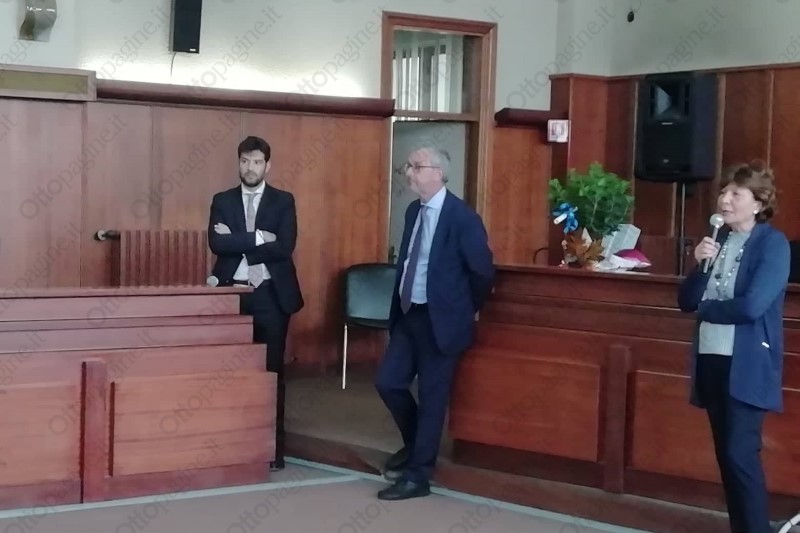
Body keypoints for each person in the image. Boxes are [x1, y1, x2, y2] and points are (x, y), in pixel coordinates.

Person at [375, 145, 495, 501]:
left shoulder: (462, 218)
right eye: (408, 166)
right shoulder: (414, 210)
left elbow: (482, 272)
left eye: (416, 166)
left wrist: (463, 309)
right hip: (409, 314)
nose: (409, 173)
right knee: (388, 382)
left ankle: (418, 477)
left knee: (432, 398)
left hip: (442, 321)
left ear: (438, 173)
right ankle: (417, 446)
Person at [678, 160, 790, 533]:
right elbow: (686, 301)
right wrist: (699, 265)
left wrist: (707, 309)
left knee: (740, 455)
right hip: (712, 360)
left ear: (758, 203)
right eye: (723, 192)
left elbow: (752, 306)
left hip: (747, 363)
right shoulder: (718, 240)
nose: (724, 200)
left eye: (735, 194)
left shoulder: (772, 245)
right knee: (726, 458)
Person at [207, 135, 304, 472]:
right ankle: (233, 445)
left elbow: (285, 246)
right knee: (230, 372)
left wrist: (238, 242)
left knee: (271, 371)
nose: (251, 168)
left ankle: (273, 449)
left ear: (267, 165)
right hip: (231, 294)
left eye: (257, 162)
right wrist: (260, 237)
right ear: (238, 163)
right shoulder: (222, 200)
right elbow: (216, 244)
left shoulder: (283, 201)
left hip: (271, 295)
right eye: (245, 161)